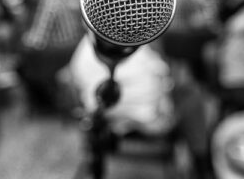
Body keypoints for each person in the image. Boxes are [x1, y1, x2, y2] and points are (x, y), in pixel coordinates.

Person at [66, 34, 210, 177]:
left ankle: (199, 162)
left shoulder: (85, 47)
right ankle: (201, 164)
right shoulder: (135, 41)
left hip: (109, 116)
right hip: (147, 114)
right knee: (192, 97)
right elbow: (162, 74)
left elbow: (74, 82)